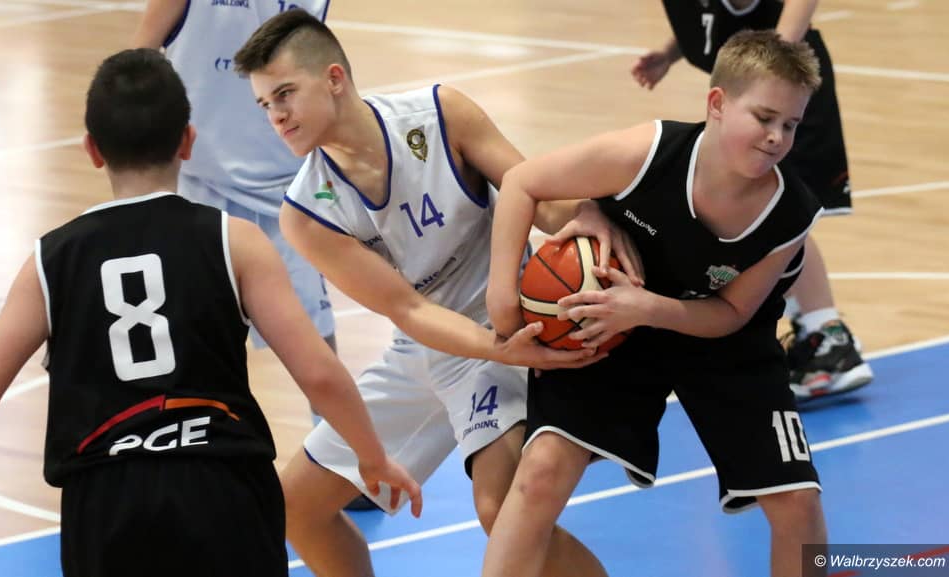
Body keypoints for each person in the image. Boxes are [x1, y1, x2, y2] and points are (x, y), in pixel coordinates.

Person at [0, 48, 420, 575]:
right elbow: (318, 373)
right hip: (224, 485)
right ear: (188, 142)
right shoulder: (235, 240)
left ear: (92, 149)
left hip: (106, 501)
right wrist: (371, 456)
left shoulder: (50, 260)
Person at [231, 10, 632, 577]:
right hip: (430, 343)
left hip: (503, 322)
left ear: (334, 78)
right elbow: (408, 309)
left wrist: (584, 212)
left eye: (285, 94)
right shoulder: (305, 212)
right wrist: (497, 347)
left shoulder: (442, 115)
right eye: (264, 104)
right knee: (296, 508)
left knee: (501, 512)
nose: (276, 115)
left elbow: (541, 200)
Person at [484, 31, 828, 577]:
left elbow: (732, 314)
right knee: (541, 472)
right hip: (617, 329)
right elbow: (523, 181)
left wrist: (646, 307)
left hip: (724, 341)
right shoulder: (647, 154)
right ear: (717, 104)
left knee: (798, 502)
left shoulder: (791, 212)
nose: (776, 137)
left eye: (791, 125)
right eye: (764, 117)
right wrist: (502, 297)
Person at [132, 0, 378, 511]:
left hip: (288, 185)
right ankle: (182, 463)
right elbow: (139, 58)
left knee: (312, 337)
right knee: (194, 337)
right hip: (201, 182)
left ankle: (341, 460)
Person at [631, 0, 873, 402]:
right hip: (759, 102)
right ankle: (820, 332)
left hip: (781, 101)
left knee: (779, 214)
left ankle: (828, 337)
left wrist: (776, 70)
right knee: (771, 215)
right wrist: (671, 51)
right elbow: (706, 17)